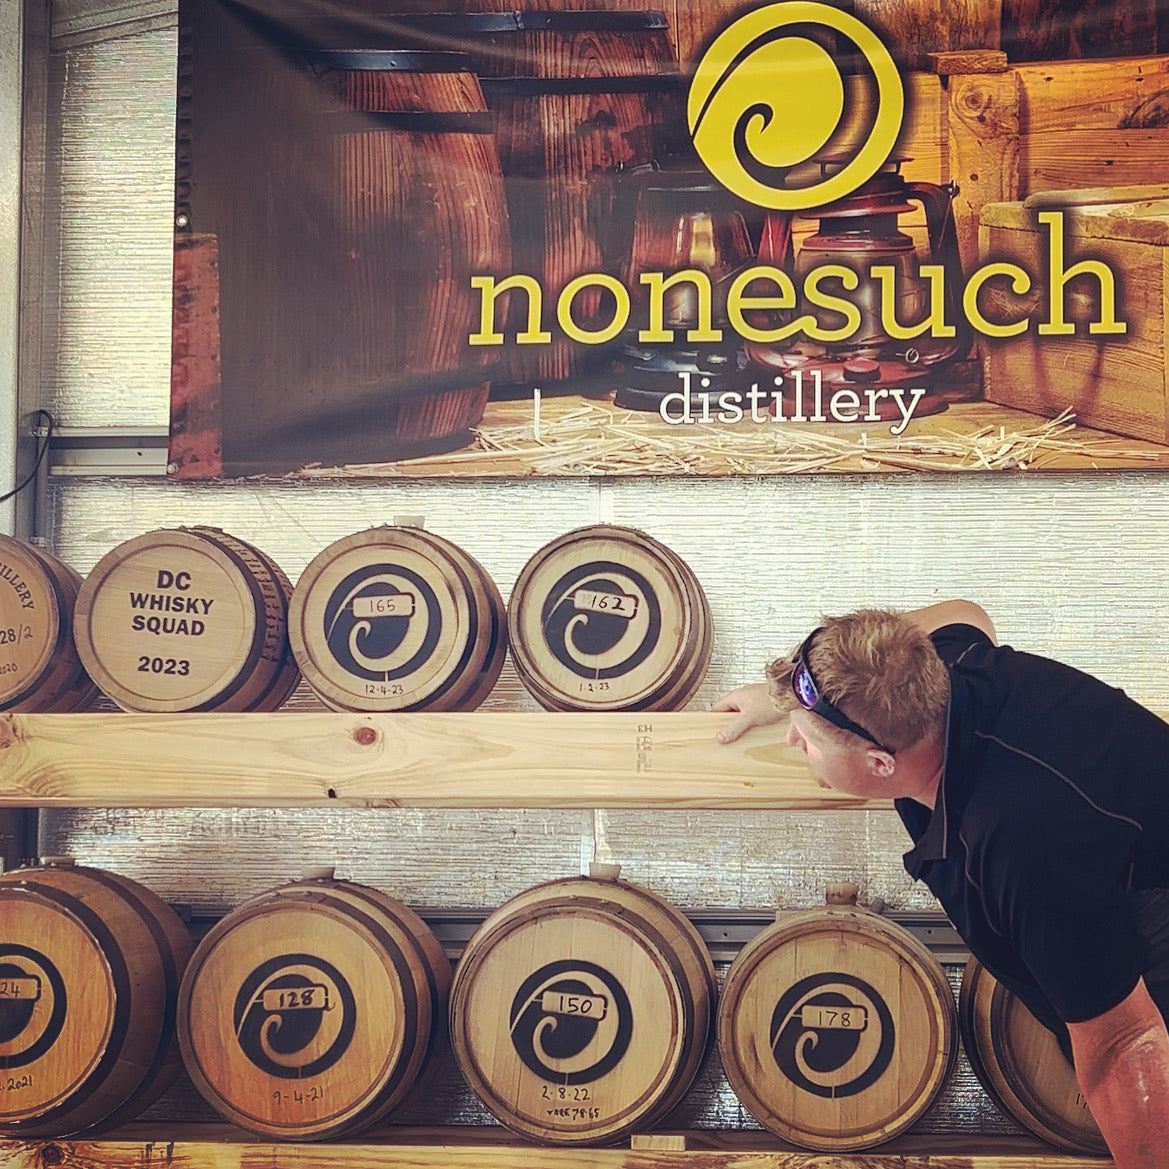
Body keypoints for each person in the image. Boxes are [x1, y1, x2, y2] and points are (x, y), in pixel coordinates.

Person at [714, 599, 1169, 1169]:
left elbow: (1124, 1045)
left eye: (808, 737)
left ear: (881, 764)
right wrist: (774, 698)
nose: (792, 742)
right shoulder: (942, 666)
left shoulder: (1020, 842)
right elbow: (965, 610)